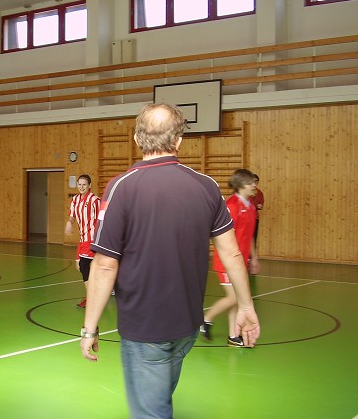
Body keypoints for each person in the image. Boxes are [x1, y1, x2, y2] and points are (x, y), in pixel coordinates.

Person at [79, 104, 260, 419]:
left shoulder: (121, 187)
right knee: (160, 398)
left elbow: (105, 265)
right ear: (178, 142)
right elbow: (231, 253)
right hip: (185, 327)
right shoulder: (206, 187)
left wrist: (89, 328)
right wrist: (246, 306)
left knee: (152, 411)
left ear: (137, 139)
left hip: (145, 328)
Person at [202, 169, 260, 347]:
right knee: (236, 297)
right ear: (241, 184)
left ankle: (234, 336)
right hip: (226, 262)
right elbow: (224, 235)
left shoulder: (249, 206)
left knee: (238, 299)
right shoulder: (232, 206)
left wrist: (254, 258)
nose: (254, 186)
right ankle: (205, 319)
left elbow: (250, 234)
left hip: (241, 262)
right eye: (251, 183)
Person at [64, 174, 100, 308]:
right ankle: (107, 287)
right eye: (79, 184)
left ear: (89, 186)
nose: (81, 187)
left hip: (92, 238)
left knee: (84, 266)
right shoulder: (75, 200)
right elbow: (72, 216)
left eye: (84, 184)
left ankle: (92, 298)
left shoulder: (94, 200)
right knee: (80, 265)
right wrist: (69, 223)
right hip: (83, 238)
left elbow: (102, 219)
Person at [250, 173, 264, 248]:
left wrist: (260, 206)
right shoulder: (246, 192)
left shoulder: (259, 192)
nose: (255, 183)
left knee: (254, 238)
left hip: (255, 217)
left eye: (257, 181)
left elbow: (261, 204)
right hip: (246, 218)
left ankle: (251, 257)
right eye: (253, 181)